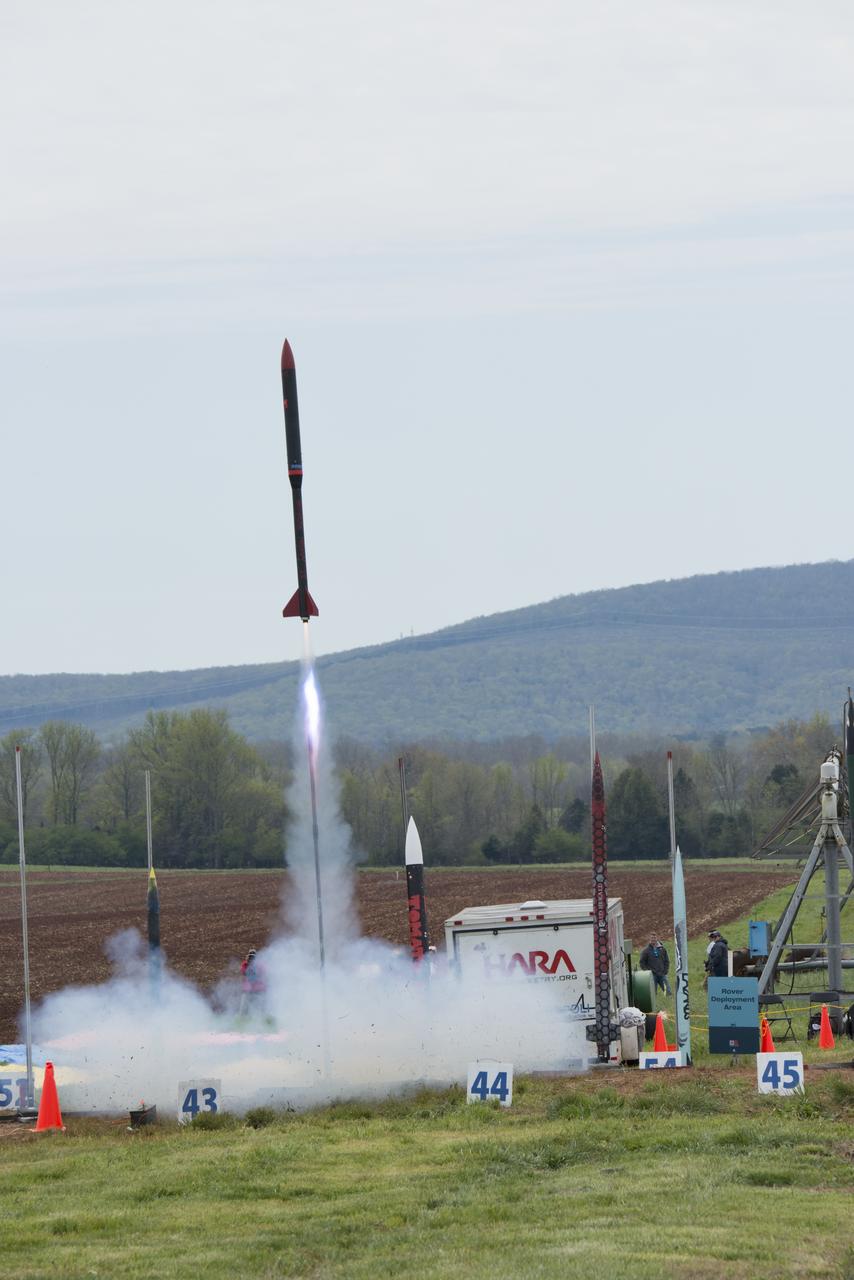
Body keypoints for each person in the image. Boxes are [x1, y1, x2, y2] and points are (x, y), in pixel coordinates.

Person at [239, 947, 267, 1015]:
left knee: (260, 1004)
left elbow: (263, 974)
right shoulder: (245, 965)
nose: (252, 957)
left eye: (253, 955)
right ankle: (244, 1016)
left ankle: (263, 1015)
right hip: (249, 989)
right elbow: (243, 972)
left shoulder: (259, 965)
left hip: (257, 989)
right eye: (250, 955)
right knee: (246, 1004)